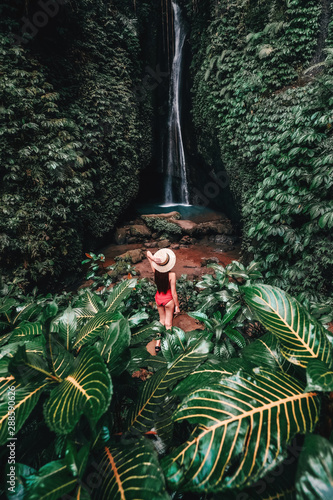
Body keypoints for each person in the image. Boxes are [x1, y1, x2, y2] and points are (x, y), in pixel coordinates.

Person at [146, 248, 180, 353]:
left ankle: (157, 344)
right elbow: (174, 293)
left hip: (158, 299)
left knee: (161, 321)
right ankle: (168, 345)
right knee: (168, 324)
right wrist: (177, 306)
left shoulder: (155, 271)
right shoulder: (172, 275)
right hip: (169, 300)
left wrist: (153, 258)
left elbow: (147, 253)